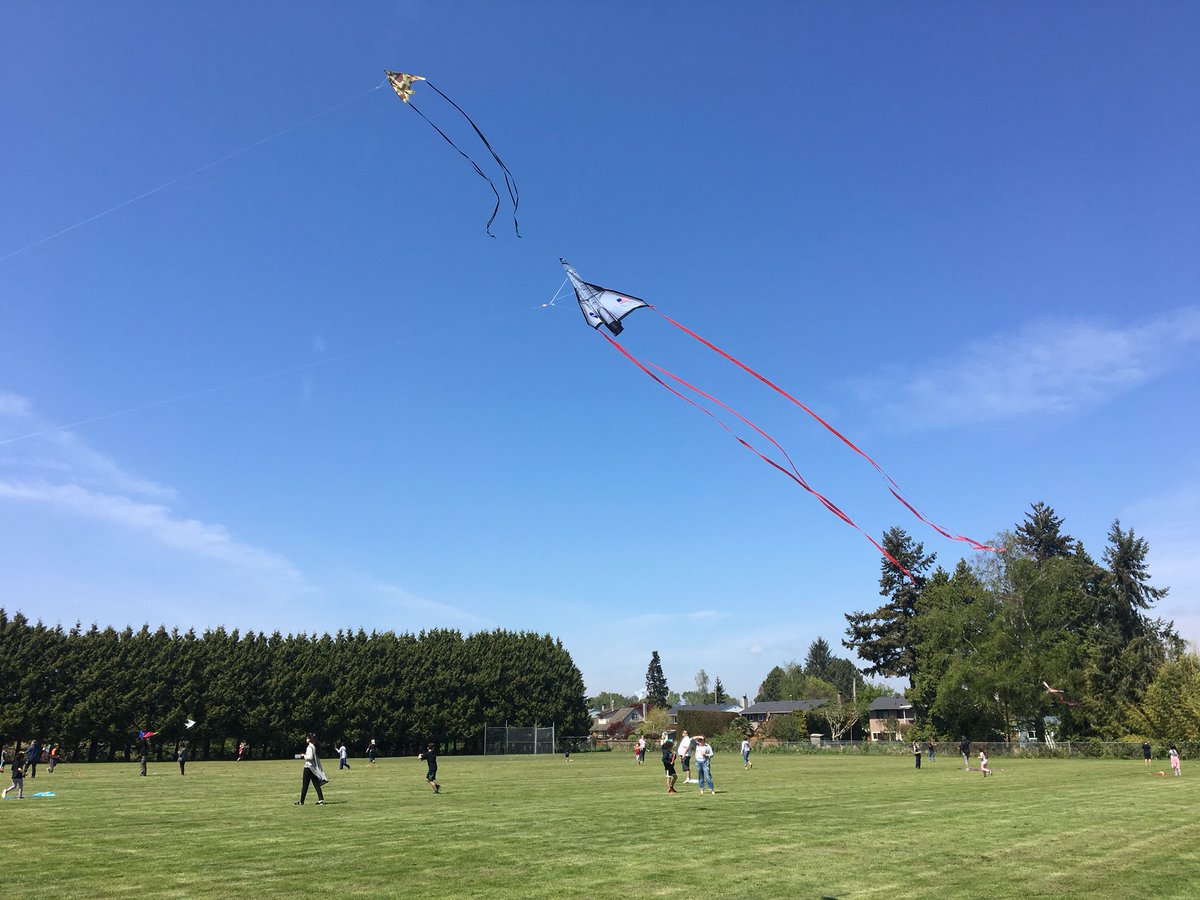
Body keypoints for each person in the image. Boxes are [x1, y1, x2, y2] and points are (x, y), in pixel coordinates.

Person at [295, 734, 327, 805]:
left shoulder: (309, 747)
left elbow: (310, 757)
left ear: (310, 739)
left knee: (305, 785)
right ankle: (320, 799)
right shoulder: (313, 746)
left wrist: (304, 756)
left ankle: (301, 801)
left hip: (308, 767)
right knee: (316, 784)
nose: (306, 739)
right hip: (312, 768)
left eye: (307, 738)